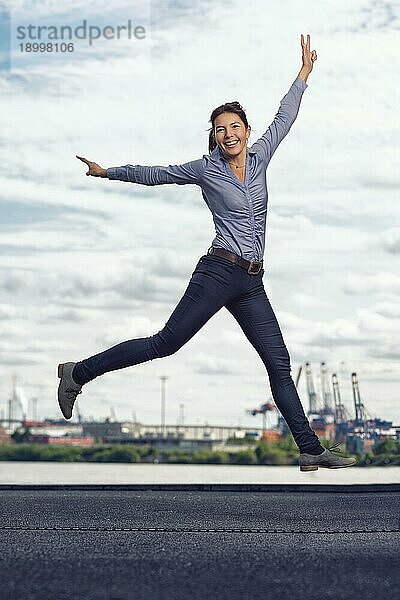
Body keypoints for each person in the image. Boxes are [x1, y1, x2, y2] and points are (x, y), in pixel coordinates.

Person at [57, 34, 357, 471]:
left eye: (235, 126)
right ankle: (78, 373)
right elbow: (156, 173)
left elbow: (285, 116)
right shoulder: (205, 170)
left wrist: (304, 76)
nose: (229, 133)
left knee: (280, 363)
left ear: (247, 132)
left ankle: (310, 449)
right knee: (166, 343)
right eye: (221, 129)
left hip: (252, 282)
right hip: (218, 273)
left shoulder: (260, 157)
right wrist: (108, 173)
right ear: (214, 138)